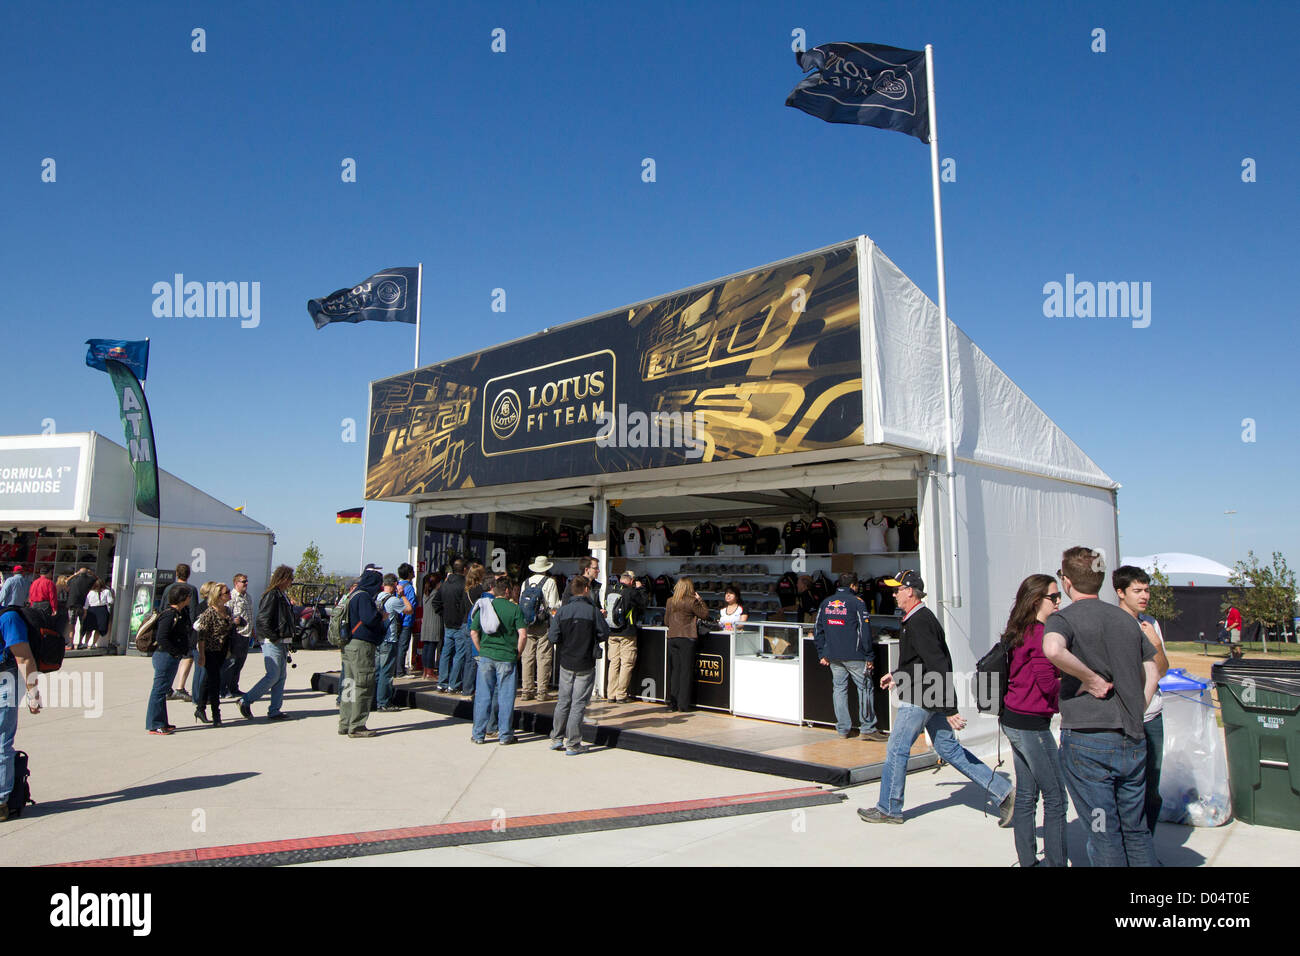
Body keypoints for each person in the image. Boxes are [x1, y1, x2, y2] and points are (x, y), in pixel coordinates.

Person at [859, 569, 1014, 826]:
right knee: (948, 749)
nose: (894, 594)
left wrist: (950, 708)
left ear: (910, 591)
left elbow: (939, 664)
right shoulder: (916, 618)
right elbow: (919, 661)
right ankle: (1003, 792)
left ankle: (888, 808)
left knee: (897, 750)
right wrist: (897, 674)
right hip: (927, 695)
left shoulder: (919, 621)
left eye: (897, 589)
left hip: (920, 697)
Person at [1042, 547, 1159, 867]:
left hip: (1088, 742)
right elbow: (1153, 669)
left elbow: (1052, 648)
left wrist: (1089, 678)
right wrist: (1140, 704)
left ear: (1066, 581)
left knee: (1101, 830)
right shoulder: (1125, 619)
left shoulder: (1062, 618)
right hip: (1131, 738)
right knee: (1136, 830)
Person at [998, 574, 1070, 867]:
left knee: (1027, 796)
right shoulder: (1039, 634)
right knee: (1056, 799)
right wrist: (1075, 683)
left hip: (1014, 717)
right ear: (1037, 599)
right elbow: (1047, 682)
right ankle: (1055, 862)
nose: (1058, 602)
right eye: (1054, 597)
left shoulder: (1020, 630)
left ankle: (1028, 861)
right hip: (1030, 724)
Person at [1113, 565, 1171, 839]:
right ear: (1120, 592)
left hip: (1152, 718)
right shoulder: (1111, 622)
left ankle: (1145, 848)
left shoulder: (1151, 624)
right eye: (1137, 590)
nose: (1144, 595)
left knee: (1151, 790)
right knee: (1123, 791)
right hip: (1123, 720)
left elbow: (1162, 669)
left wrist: (1155, 643)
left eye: (1147, 590)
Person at [813, 572, 883, 741]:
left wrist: (822, 652)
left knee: (839, 690)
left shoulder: (826, 602)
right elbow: (865, 632)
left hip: (833, 656)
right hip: (856, 655)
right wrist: (869, 656)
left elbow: (817, 629)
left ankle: (843, 729)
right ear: (854, 585)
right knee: (865, 688)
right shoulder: (857, 602)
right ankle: (867, 728)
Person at [547, 575, 609, 754]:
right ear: (586, 589)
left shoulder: (563, 611)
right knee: (578, 704)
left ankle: (557, 738)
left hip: (566, 661)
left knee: (563, 701)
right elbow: (604, 633)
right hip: (585, 662)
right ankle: (573, 744)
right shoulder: (592, 611)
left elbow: (553, 636)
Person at [470, 575, 528, 744]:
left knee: (482, 696)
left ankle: (478, 734)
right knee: (506, 697)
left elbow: (473, 632)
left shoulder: (485, 607)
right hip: (507, 657)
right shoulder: (514, 609)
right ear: (508, 591)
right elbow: (523, 635)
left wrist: (482, 650)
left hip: (487, 656)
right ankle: (505, 735)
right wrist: (517, 653)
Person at [0, 602, 42, 820]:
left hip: (4, 682)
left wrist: (33, 693)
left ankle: (1, 802)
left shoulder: (8, 618)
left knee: (1, 743)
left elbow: (24, 657)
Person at [239, 565, 296, 722]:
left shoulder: (281, 595)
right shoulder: (272, 595)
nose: (292, 581)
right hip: (273, 641)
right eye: (290, 578)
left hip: (282, 641)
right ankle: (246, 700)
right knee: (273, 675)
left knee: (281, 676)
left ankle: (275, 709)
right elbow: (262, 620)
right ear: (283, 578)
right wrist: (275, 637)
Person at [340, 568, 387, 737]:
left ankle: (345, 722)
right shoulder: (364, 597)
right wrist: (381, 616)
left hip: (349, 644)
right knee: (363, 684)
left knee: (349, 684)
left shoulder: (353, 595)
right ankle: (358, 726)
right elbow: (369, 618)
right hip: (362, 646)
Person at [145, 589, 191, 735]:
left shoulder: (180, 614)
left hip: (170, 657)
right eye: (188, 597)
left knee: (163, 690)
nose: (190, 599)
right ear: (182, 598)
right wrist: (175, 652)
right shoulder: (169, 615)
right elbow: (162, 637)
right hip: (164, 656)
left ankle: (162, 722)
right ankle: (154, 724)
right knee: (159, 691)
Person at [664, 577, 709, 712]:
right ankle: (682, 705)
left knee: (675, 671)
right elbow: (705, 614)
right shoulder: (692, 601)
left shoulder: (670, 601)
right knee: (685, 672)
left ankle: (673, 702)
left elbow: (666, 621)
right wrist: (700, 600)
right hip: (687, 637)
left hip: (672, 637)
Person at [519, 556, 561, 702]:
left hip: (528, 623)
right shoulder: (550, 582)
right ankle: (542, 691)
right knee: (543, 657)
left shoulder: (526, 582)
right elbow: (554, 605)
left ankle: (526, 690)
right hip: (543, 624)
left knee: (527, 657)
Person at [193, 582, 235, 726]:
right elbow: (202, 636)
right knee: (215, 681)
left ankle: (200, 708)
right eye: (226, 592)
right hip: (210, 651)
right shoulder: (209, 613)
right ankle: (216, 715)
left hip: (222, 651)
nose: (229, 594)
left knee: (208, 679)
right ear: (218, 596)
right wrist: (202, 654)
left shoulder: (228, 611)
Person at [432, 559, 473, 695]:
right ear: (465, 570)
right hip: (460, 622)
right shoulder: (465, 585)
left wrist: (444, 614)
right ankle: (454, 684)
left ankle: (442, 682)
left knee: (446, 652)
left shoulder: (445, 585)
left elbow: (436, 602)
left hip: (448, 622)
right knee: (459, 654)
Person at [606, 571, 648, 703]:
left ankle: (610, 694)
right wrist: (640, 588)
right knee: (626, 663)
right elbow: (644, 603)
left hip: (612, 632)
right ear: (631, 581)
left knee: (613, 663)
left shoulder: (610, 590)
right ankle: (621, 694)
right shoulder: (630, 591)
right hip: (627, 633)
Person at [163, 564, 200, 702]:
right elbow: (193, 610)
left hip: (169, 626)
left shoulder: (168, 588)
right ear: (188, 574)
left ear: (176, 573)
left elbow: (162, 607)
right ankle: (180, 687)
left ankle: (167, 688)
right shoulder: (191, 589)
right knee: (187, 656)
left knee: (169, 657)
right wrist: (193, 630)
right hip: (184, 628)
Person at [375, 574, 411, 712]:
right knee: (387, 672)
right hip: (389, 639)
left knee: (378, 670)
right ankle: (384, 702)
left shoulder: (377, 597)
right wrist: (402, 595)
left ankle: (375, 699)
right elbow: (409, 610)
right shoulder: (393, 600)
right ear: (395, 584)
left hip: (379, 638)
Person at [223, 573, 253, 698]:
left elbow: (250, 615)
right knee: (231, 663)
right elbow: (225, 614)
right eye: (243, 581)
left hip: (247, 635)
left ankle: (234, 688)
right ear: (236, 583)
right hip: (236, 634)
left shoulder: (248, 597)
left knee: (239, 663)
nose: (246, 583)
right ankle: (223, 689)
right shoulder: (232, 597)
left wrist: (253, 631)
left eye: (246, 581)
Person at [395, 563, 418, 678]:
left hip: (397, 621)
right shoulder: (408, 588)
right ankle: (400, 671)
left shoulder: (397, 586)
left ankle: (397, 668)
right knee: (403, 646)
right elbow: (412, 605)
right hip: (406, 621)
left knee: (397, 645)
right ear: (409, 573)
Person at [419, 571, 444, 680]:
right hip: (434, 622)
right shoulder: (436, 594)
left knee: (426, 647)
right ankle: (430, 671)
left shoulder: (426, 593)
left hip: (426, 623)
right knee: (431, 647)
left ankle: (425, 671)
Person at [66, 566, 96, 647]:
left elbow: (66, 580)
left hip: (72, 604)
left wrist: (75, 574)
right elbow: (97, 579)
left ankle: (71, 642)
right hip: (83, 605)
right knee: (82, 624)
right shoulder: (90, 580)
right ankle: (80, 642)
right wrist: (91, 573)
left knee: (72, 624)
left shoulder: (73, 580)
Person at [82, 578, 113, 650]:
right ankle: (93, 644)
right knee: (98, 629)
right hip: (102, 610)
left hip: (92, 610)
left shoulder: (90, 592)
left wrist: (85, 613)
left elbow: (86, 604)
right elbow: (110, 601)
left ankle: (86, 643)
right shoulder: (107, 591)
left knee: (89, 628)